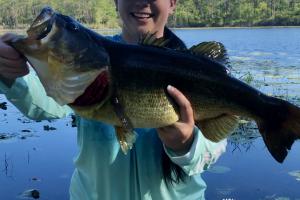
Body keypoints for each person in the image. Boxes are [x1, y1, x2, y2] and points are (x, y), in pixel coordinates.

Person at [0, 0, 227, 199]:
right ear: (116, 2)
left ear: (172, 3)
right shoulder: (89, 58)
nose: (142, 2)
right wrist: (9, 73)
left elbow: (211, 151)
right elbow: (45, 105)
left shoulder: (196, 68)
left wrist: (185, 145)